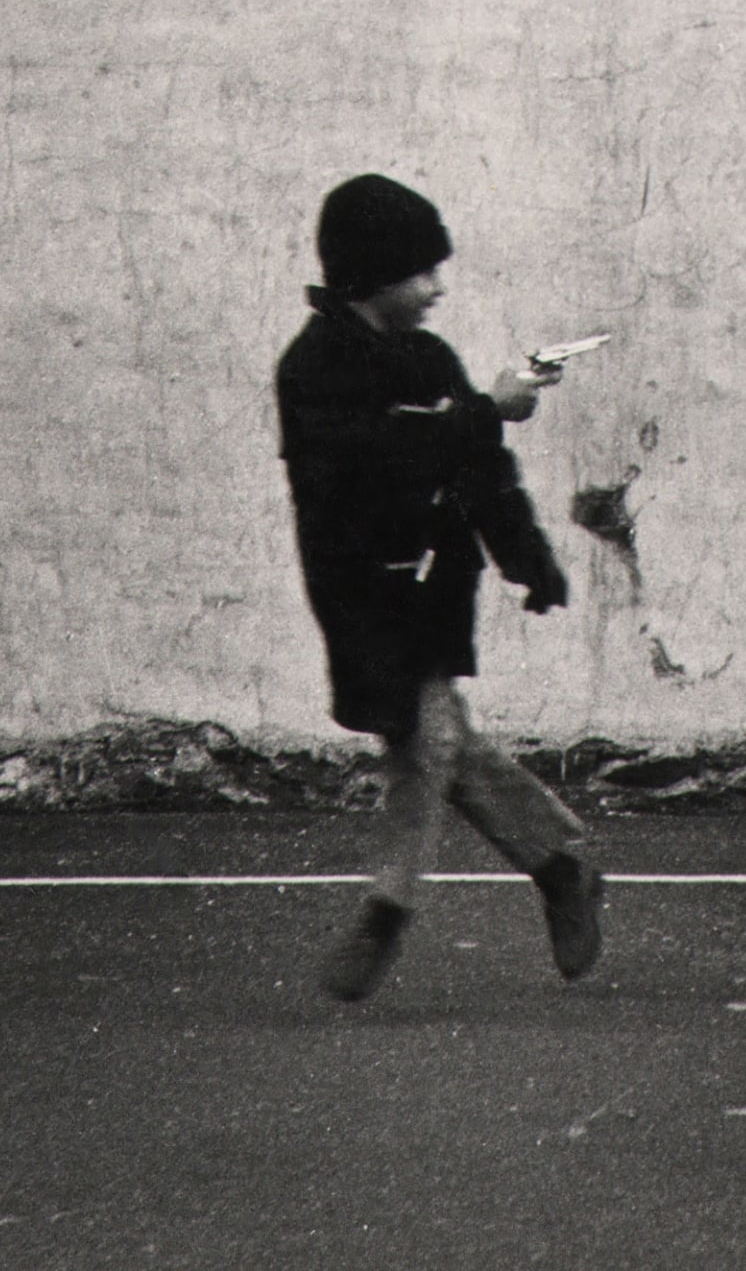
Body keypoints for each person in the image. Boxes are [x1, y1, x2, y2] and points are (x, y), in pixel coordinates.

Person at [275, 173, 605, 1002]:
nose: (436, 288)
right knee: (445, 744)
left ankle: (386, 912)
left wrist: (528, 558)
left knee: (422, 747)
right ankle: (561, 864)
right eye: (420, 271)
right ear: (371, 274)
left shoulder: (430, 360)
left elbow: (481, 476)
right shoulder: (312, 369)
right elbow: (374, 461)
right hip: (358, 598)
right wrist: (487, 409)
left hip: (430, 594)